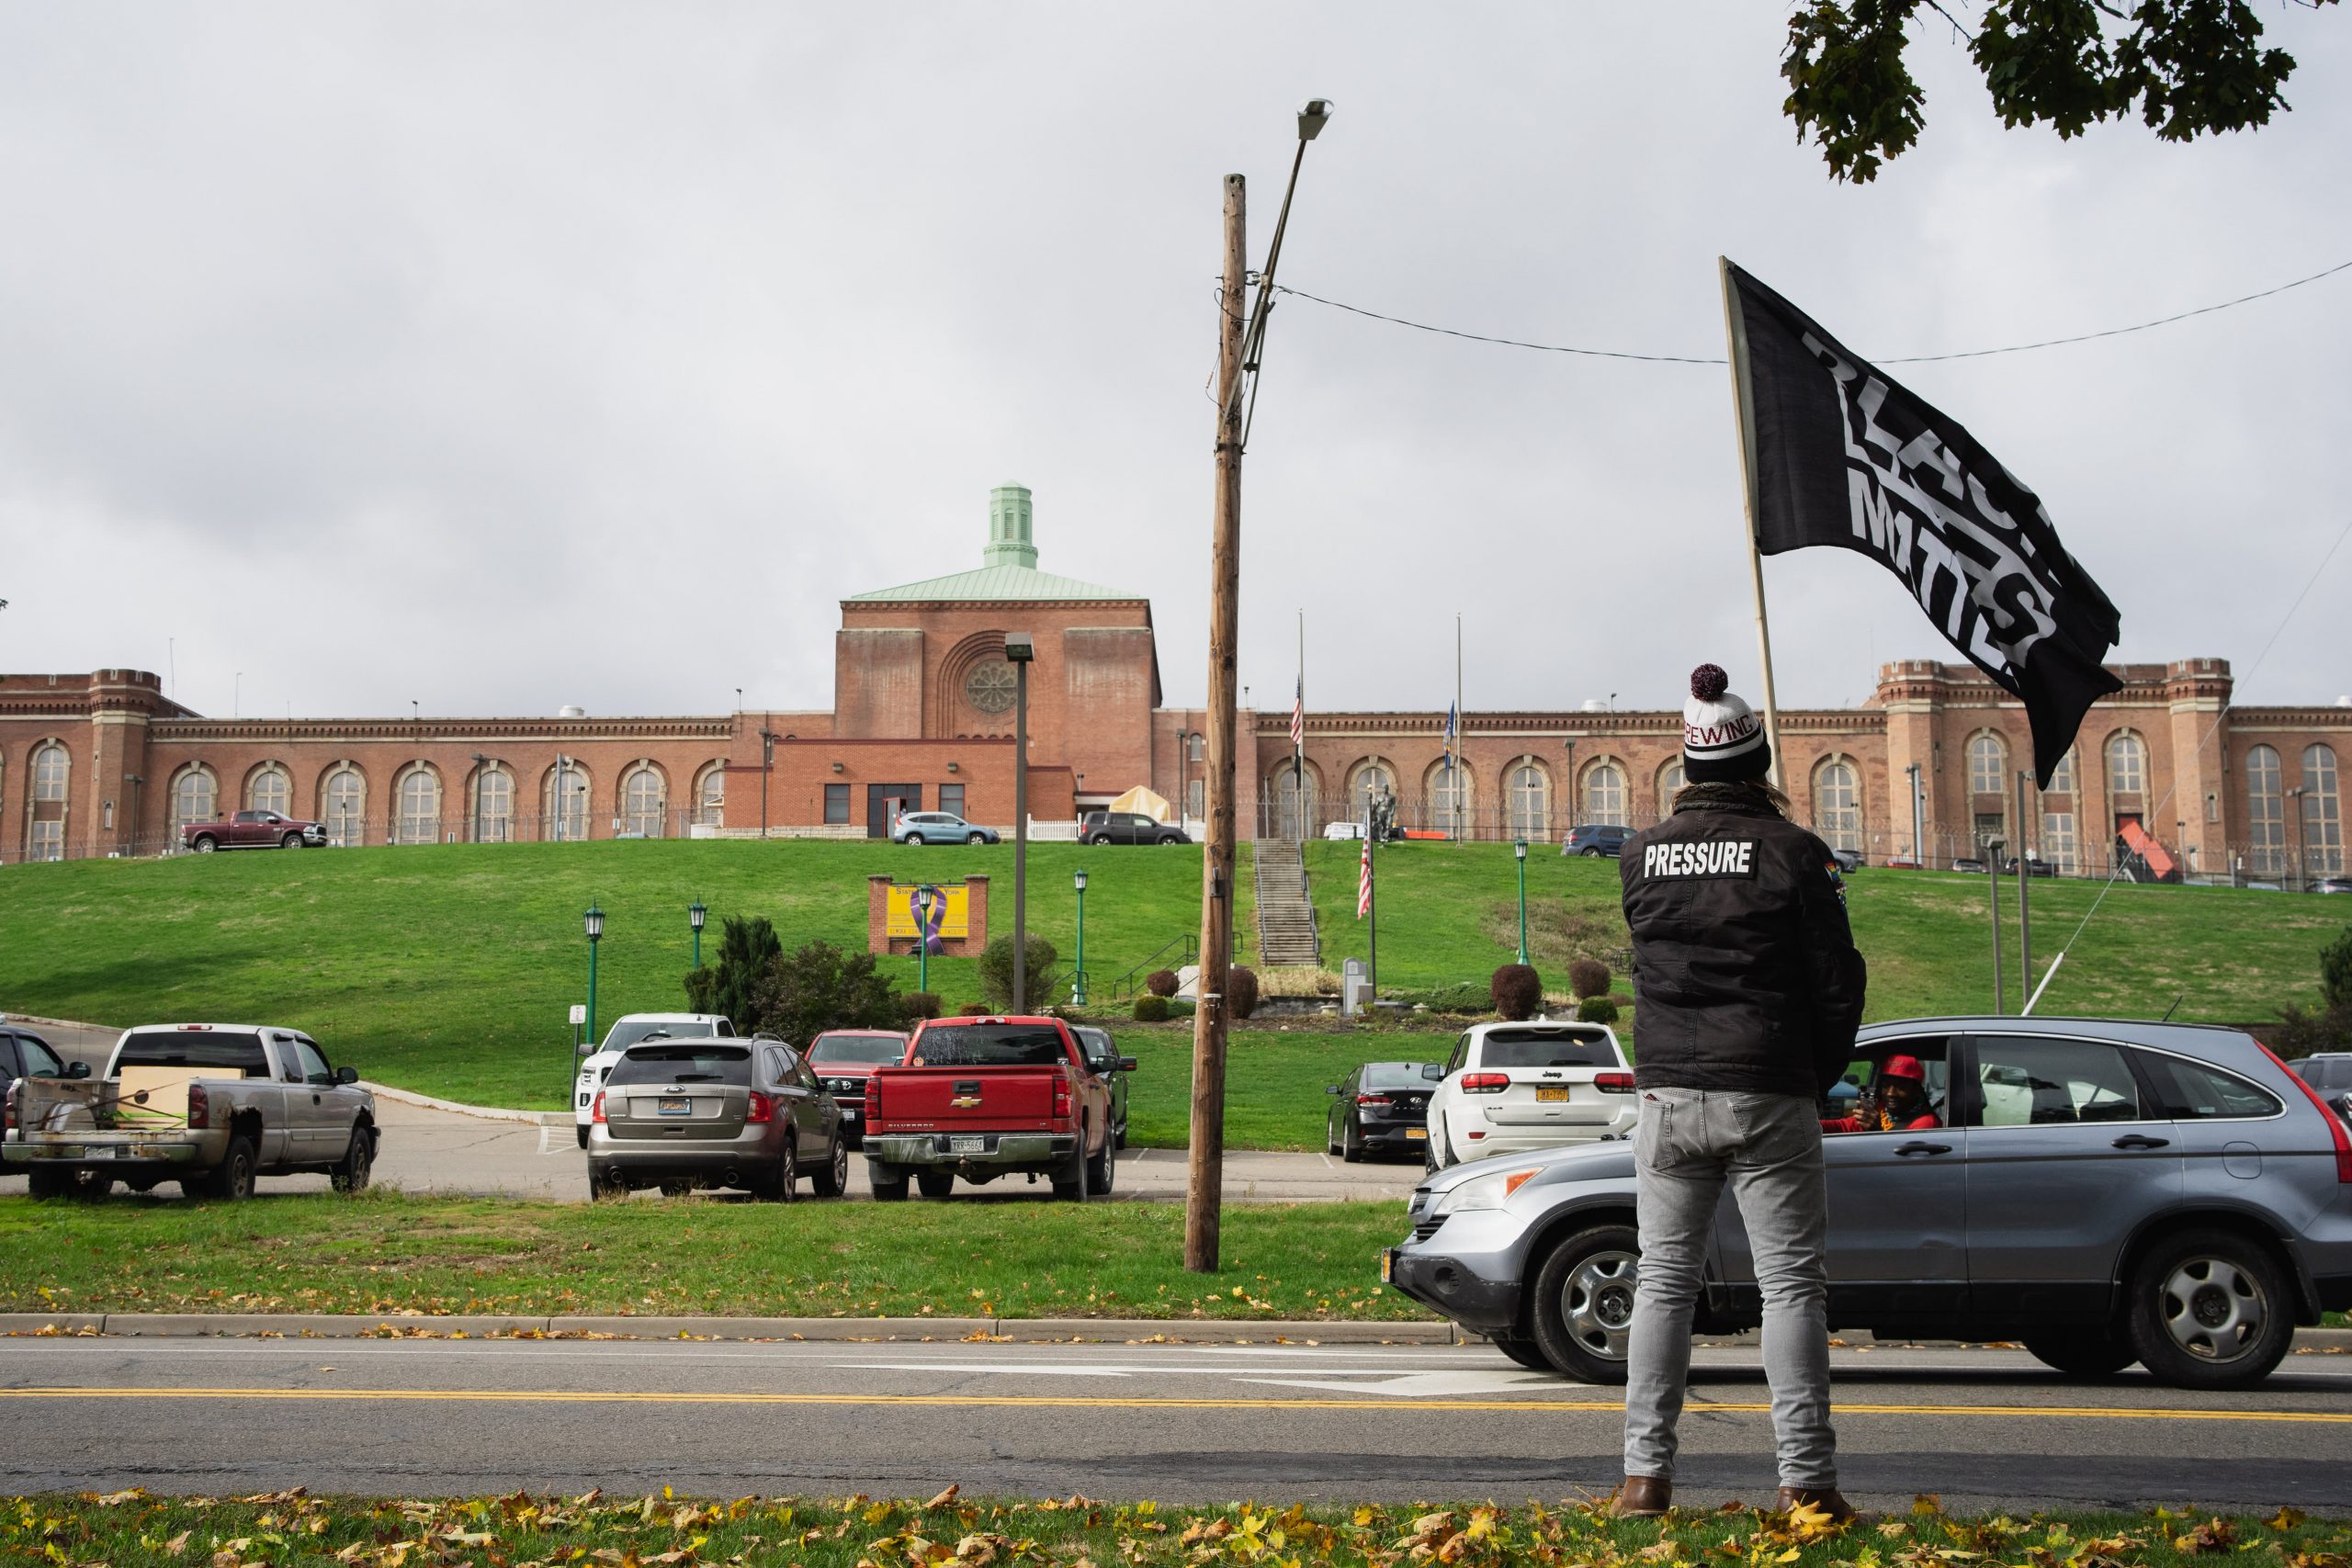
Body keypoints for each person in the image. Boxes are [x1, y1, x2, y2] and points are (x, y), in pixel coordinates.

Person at [1611, 664, 1867, 1521]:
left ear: (1688, 764)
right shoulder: (1796, 853)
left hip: (1670, 1093)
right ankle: (1807, 1482)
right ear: (1757, 760)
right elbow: (1839, 983)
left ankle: (1645, 1479)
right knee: (1792, 1285)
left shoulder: (1641, 854)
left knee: (1663, 1283)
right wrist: (1809, 1072)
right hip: (1767, 1085)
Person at [1821, 1055, 1939, 1134]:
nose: (1891, 1093)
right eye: (1886, 1086)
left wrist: (1877, 1130)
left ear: (1916, 1090)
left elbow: (1901, 1158)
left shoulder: (1926, 1123)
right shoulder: (1881, 1110)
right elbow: (1843, 1126)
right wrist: (1809, 1125)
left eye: (1901, 1087)